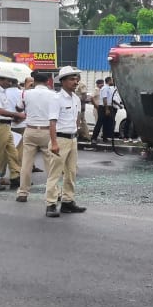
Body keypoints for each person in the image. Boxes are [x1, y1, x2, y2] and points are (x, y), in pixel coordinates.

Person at [45, 66, 87, 217]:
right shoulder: (56, 98)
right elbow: (52, 123)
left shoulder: (75, 98)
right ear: (62, 81)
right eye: (71, 79)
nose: (75, 82)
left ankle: (68, 202)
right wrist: (54, 143)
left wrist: (77, 132)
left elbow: (76, 119)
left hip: (72, 139)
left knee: (71, 172)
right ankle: (50, 204)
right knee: (55, 173)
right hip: (60, 139)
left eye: (76, 79)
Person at [16, 71, 59, 203]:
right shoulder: (54, 95)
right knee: (51, 164)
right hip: (47, 131)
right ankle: (55, 191)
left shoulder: (25, 93)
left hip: (30, 130)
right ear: (47, 82)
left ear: (33, 81)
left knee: (26, 164)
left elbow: (18, 108)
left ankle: (23, 192)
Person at [0, 68, 25, 191]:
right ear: (0, 79)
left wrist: (13, 118)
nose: (10, 83)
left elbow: (2, 112)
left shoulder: (2, 92)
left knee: (13, 153)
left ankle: (15, 177)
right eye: (8, 80)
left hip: (5, 125)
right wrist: (16, 115)